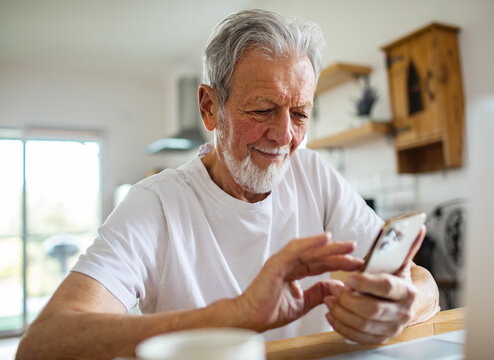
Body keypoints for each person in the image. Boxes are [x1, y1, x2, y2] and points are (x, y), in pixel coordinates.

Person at [16, 9, 439, 360]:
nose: (284, 135)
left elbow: (423, 283)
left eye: (300, 113)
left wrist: (401, 305)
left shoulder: (315, 174)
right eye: (262, 110)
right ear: (209, 108)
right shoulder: (156, 204)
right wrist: (236, 314)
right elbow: (43, 344)